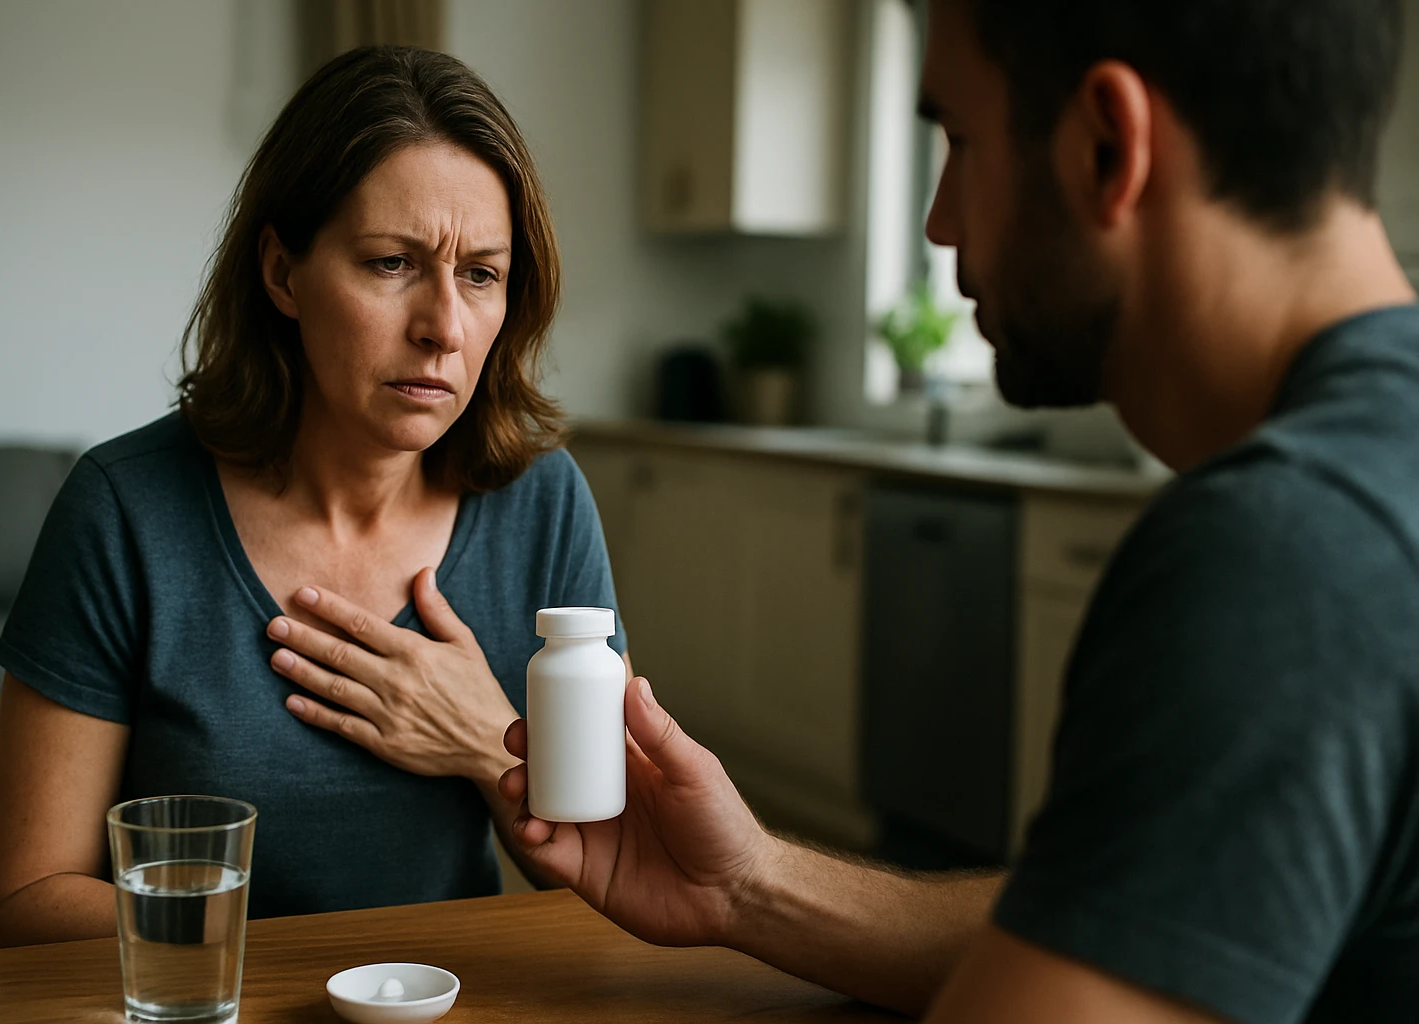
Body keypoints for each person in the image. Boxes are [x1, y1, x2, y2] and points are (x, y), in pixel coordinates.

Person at [498, 1, 1419, 1021]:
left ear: (1108, 146)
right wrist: (747, 882)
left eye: (959, 140)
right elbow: (1124, 908)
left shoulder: (1287, 552)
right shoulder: (1374, 486)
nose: (937, 219)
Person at [0, 46, 627, 949]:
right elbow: (28, 901)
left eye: (480, 274)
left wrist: (488, 740)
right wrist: (320, 974)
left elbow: (614, 866)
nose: (443, 326)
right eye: (393, 262)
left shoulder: (544, 501)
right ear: (283, 273)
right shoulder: (121, 510)